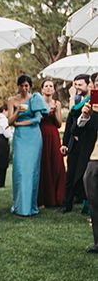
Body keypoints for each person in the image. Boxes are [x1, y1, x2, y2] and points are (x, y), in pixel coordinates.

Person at [8, 74, 48, 217]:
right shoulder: (12, 100)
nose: (24, 88)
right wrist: (18, 111)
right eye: (22, 85)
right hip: (19, 138)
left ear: (30, 86)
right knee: (19, 170)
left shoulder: (35, 98)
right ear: (18, 86)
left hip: (33, 136)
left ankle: (31, 206)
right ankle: (19, 206)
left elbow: (38, 119)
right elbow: (9, 122)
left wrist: (20, 123)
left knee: (31, 171)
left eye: (27, 86)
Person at [61, 74, 91, 213]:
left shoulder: (90, 101)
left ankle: (86, 204)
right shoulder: (77, 100)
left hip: (88, 144)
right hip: (74, 142)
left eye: (80, 85)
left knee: (83, 175)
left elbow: (75, 112)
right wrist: (65, 143)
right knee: (70, 174)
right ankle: (67, 205)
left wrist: (72, 98)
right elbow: (70, 124)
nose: (77, 88)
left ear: (88, 85)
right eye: (75, 85)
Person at [37, 78, 66, 208]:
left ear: (54, 90)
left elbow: (59, 124)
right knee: (43, 163)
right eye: (46, 86)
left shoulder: (57, 104)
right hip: (40, 133)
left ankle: (57, 197)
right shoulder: (38, 102)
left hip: (53, 134)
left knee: (56, 162)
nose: (48, 88)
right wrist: (45, 113)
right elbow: (35, 120)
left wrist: (54, 113)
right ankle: (42, 198)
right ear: (42, 89)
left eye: (51, 86)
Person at [76, 100, 98, 252]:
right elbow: (75, 131)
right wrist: (85, 116)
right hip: (94, 158)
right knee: (94, 201)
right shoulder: (93, 108)